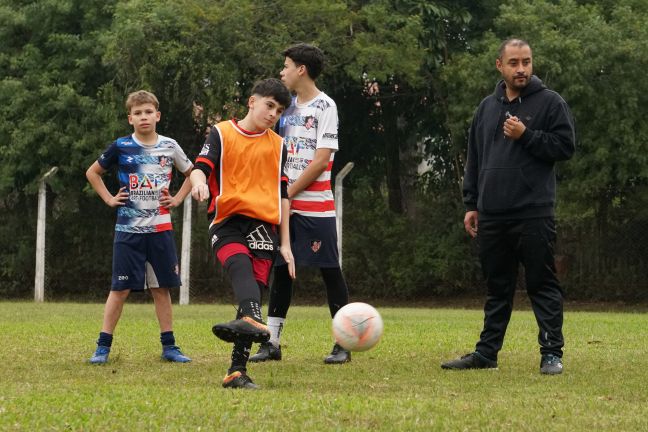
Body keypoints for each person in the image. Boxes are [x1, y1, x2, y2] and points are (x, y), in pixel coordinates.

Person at [441, 39, 575, 375]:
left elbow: (564, 146)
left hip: (533, 212)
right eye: (514, 63)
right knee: (497, 287)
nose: (521, 69)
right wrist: (472, 203)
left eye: (526, 62)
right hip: (492, 214)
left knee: (541, 285)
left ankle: (551, 354)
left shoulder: (550, 103)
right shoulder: (487, 107)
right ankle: (486, 354)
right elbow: (475, 157)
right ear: (499, 65)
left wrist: (526, 134)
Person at [190, 78, 294, 390]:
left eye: (279, 110)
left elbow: (283, 196)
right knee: (239, 268)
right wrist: (197, 182)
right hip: (227, 220)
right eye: (269, 105)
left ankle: (237, 370)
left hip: (265, 226)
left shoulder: (279, 146)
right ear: (252, 101)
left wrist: (286, 244)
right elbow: (200, 167)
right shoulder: (222, 132)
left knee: (253, 294)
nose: (273, 113)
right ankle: (253, 319)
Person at [250, 43, 351, 365]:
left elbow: (322, 161)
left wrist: (288, 191)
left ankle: (343, 343)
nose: (282, 72)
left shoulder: (326, 107)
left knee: (330, 271)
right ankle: (272, 343)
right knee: (280, 270)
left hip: (315, 206)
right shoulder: (285, 108)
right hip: (285, 204)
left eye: (286, 66)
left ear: (301, 70)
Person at [86, 90, 193, 364]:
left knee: (161, 289)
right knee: (119, 290)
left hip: (160, 231)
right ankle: (102, 347)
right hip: (128, 232)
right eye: (138, 113)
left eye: (148, 112)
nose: (143, 117)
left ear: (157, 116)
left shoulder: (169, 146)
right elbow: (92, 172)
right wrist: (110, 198)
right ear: (130, 118)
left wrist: (178, 198)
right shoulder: (121, 146)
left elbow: (193, 173)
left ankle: (169, 347)